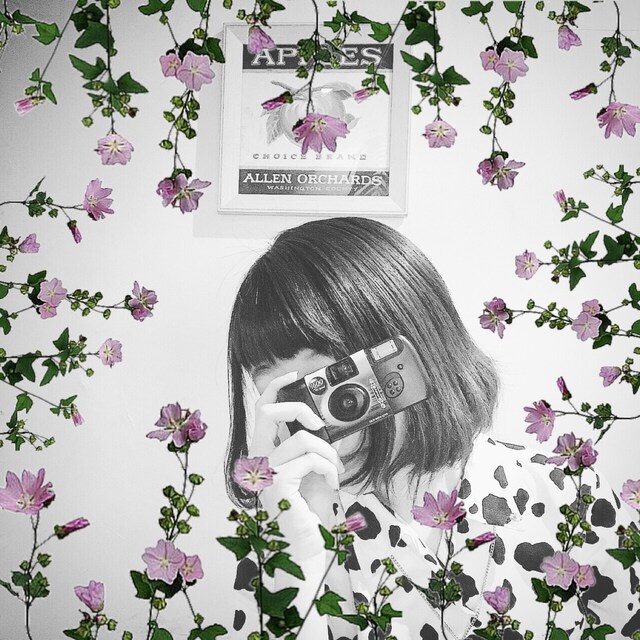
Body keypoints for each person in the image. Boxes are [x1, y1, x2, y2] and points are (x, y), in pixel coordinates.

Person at [224, 217, 637, 639]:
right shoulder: (280, 534)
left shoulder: (565, 491)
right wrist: (293, 552)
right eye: (270, 376)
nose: (304, 402)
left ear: (406, 347)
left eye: (324, 369)